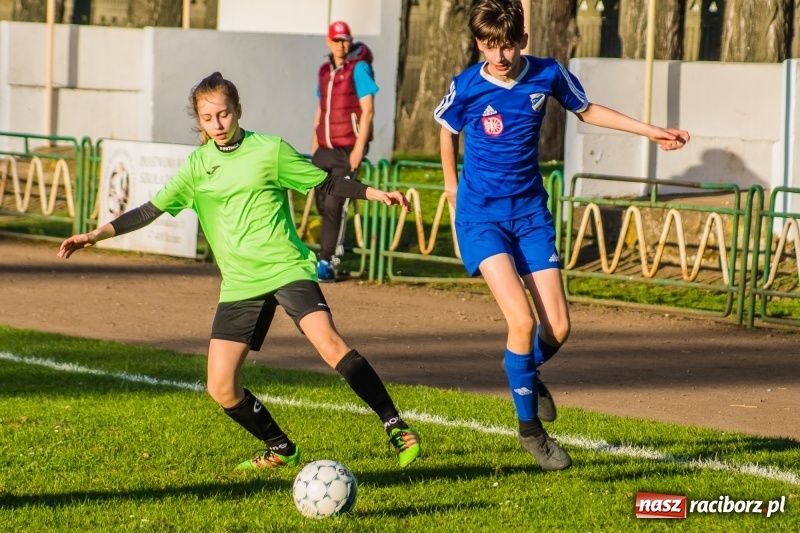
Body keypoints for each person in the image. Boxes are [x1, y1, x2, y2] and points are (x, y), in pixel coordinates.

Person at [58, 72, 422, 470]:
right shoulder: (197, 167)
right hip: (240, 284)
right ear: (199, 120)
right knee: (220, 386)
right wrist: (96, 234)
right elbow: (150, 210)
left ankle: (397, 427)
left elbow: (326, 184)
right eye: (208, 117)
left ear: (237, 111)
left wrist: (374, 192)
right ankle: (281, 448)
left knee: (329, 343)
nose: (217, 124)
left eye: (224, 114)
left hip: (285, 267)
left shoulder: (269, 150)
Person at [434, 0, 689, 471]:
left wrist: (650, 131)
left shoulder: (548, 74)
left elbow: (589, 111)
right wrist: (450, 185)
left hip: (530, 215)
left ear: (523, 41)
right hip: (481, 218)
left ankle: (524, 371)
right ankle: (531, 431)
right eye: (490, 45)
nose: (500, 55)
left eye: (507, 45)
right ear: (478, 43)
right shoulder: (466, 85)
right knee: (522, 322)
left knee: (560, 328)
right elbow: (447, 129)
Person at [311, 20, 378, 282]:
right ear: (329, 42)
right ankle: (323, 252)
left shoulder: (359, 69)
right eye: (337, 40)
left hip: (347, 147)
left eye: (345, 40)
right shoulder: (324, 71)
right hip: (324, 147)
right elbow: (321, 109)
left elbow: (368, 110)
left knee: (334, 202)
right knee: (320, 200)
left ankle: (327, 260)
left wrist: (358, 148)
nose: (341, 44)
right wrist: (314, 142)